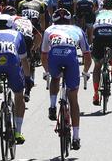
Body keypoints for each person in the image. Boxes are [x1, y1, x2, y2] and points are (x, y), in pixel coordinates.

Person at [41, 9, 92, 150]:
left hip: (54, 58)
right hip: (71, 59)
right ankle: (76, 137)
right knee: (73, 100)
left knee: (55, 78)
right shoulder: (77, 29)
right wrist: (86, 71)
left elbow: (44, 56)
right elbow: (87, 55)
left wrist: (46, 71)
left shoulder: (49, 30)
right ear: (70, 20)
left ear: (54, 20)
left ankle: (52, 106)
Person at [0, 14, 30, 144]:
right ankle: (18, 132)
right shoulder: (17, 34)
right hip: (12, 63)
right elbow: (24, 60)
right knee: (19, 96)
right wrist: (28, 78)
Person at [91, 0, 112, 105]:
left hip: (98, 33)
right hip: (111, 32)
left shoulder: (96, 12)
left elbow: (91, 28)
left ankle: (95, 94)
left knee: (97, 66)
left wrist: (91, 42)